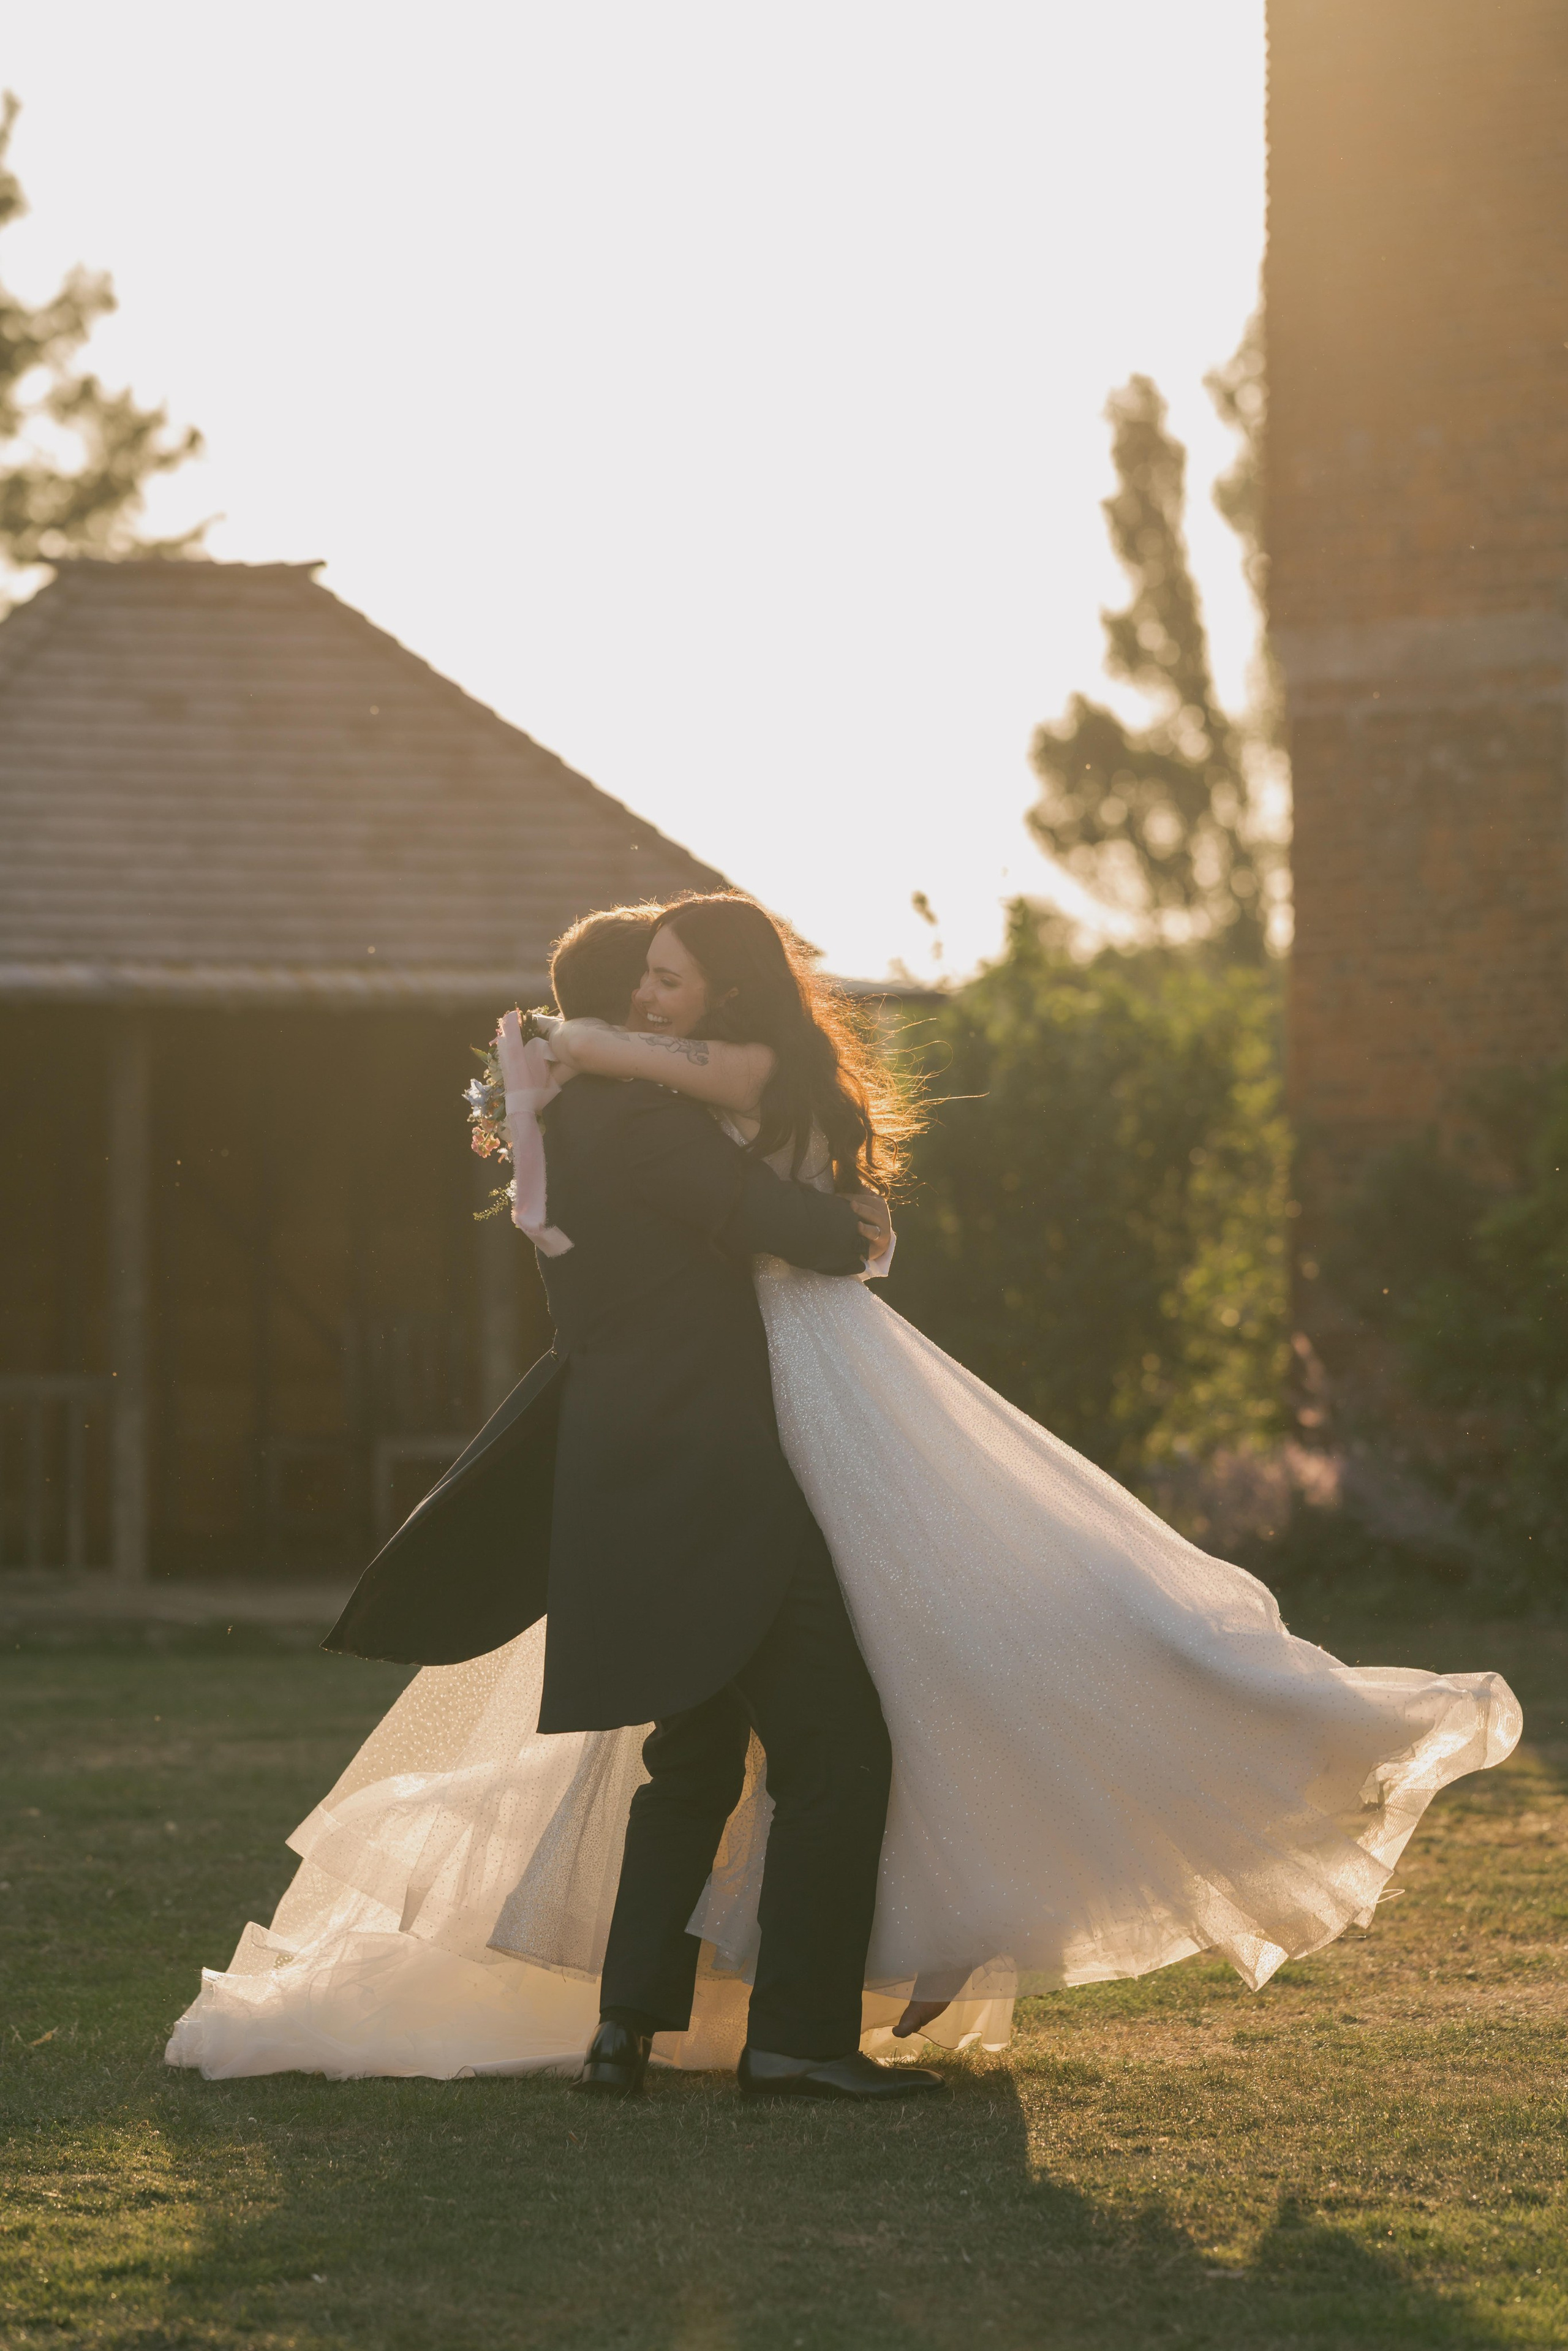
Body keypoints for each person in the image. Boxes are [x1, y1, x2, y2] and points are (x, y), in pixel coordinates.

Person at [166, 893, 1522, 2094]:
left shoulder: (571, 1120)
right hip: (714, 1480)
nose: (653, 1007)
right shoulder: (642, 1125)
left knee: (687, 1758)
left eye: (671, 980)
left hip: (633, 1479)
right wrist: (855, 1227)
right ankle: (800, 2041)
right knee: (838, 1749)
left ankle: (622, 2031)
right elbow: (795, 1229)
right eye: (642, 981)